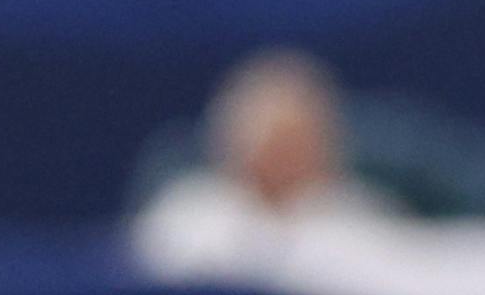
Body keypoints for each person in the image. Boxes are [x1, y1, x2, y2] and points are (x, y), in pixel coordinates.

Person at [131, 48, 403, 266]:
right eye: (273, 143)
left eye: (297, 143)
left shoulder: (364, 220)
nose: (284, 159)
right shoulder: (185, 218)